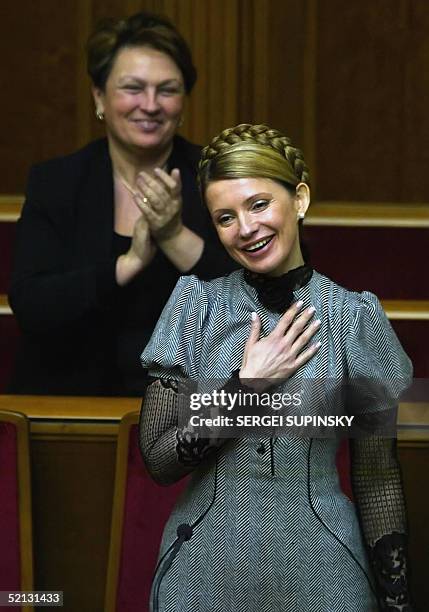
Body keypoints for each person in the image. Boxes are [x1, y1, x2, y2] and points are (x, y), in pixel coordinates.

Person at [139, 124, 414, 611]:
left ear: (300, 199)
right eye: (225, 217)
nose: (245, 229)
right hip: (201, 571)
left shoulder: (354, 317)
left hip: (326, 571)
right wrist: (245, 387)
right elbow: (160, 461)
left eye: (259, 204)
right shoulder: (194, 307)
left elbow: (376, 475)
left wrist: (397, 601)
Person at [8, 11, 235, 396]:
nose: (150, 105)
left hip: (196, 411)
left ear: (183, 102)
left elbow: (267, 302)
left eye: (167, 90)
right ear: (99, 96)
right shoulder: (58, 183)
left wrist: (174, 236)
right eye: (133, 88)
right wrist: (126, 265)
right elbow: (33, 306)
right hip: (69, 405)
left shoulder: (223, 180)